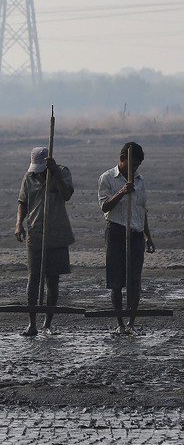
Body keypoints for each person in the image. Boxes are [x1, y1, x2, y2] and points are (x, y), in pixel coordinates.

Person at [14, 146, 75, 336]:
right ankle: (31, 323)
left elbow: (67, 195)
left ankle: (47, 323)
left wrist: (55, 172)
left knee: (53, 280)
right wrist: (18, 224)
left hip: (57, 233)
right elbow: (22, 202)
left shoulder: (62, 172)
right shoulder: (28, 177)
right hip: (35, 232)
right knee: (33, 279)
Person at [98, 141, 155, 335]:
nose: (135, 169)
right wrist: (122, 191)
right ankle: (120, 323)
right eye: (132, 165)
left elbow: (141, 209)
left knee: (134, 281)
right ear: (122, 159)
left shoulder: (140, 180)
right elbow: (104, 206)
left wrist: (148, 236)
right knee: (116, 281)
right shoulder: (107, 178)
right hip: (116, 233)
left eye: (137, 166)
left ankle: (131, 323)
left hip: (136, 234)